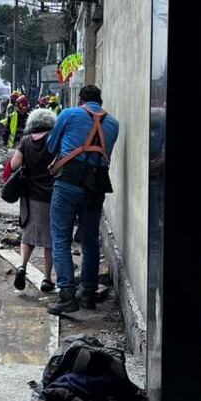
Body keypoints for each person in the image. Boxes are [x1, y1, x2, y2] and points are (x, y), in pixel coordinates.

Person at [46, 84, 119, 315]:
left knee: (61, 238)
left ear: (81, 101)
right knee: (90, 240)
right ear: (100, 102)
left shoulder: (69, 114)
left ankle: (67, 294)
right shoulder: (113, 123)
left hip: (69, 180)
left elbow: (51, 146)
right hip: (97, 185)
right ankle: (87, 293)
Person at [8, 108, 57, 293]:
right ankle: (47, 278)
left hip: (29, 197)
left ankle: (22, 266)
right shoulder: (53, 140)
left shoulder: (26, 141)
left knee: (28, 234)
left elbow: (14, 164)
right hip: (50, 195)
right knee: (49, 240)